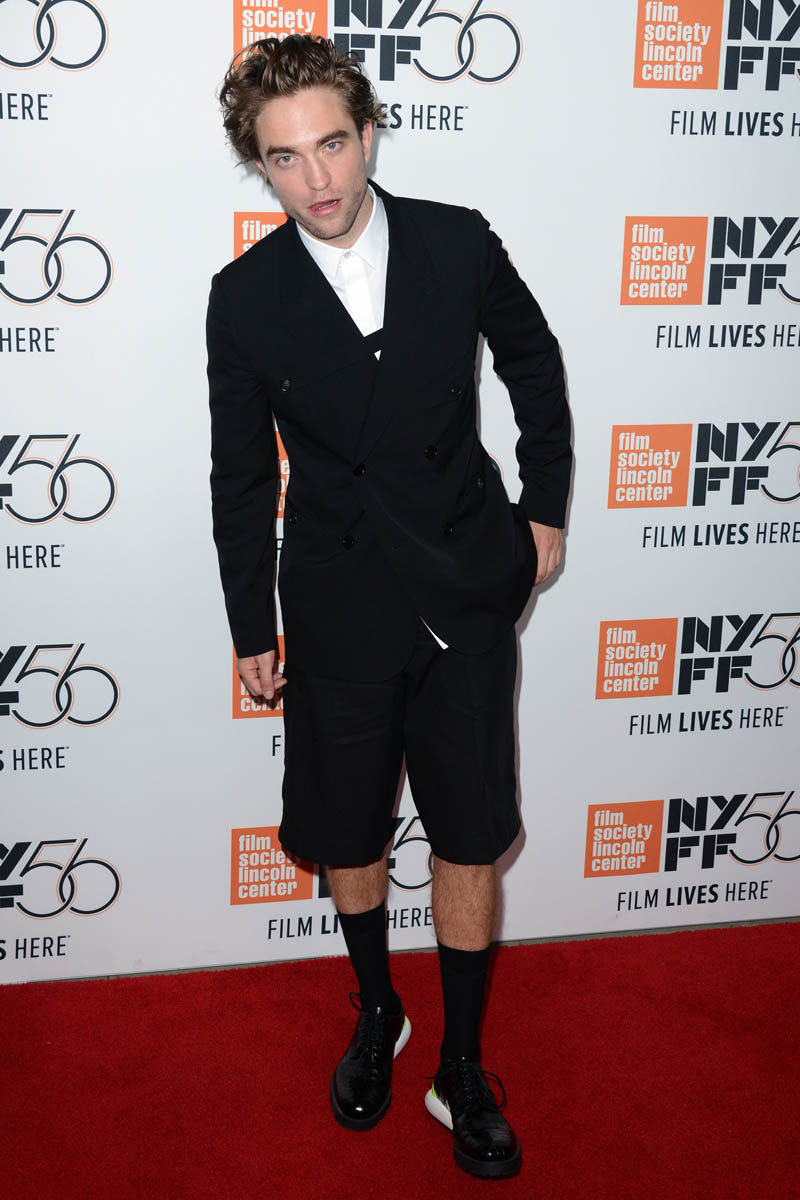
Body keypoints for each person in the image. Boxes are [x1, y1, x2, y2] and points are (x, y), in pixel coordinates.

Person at [207, 34, 571, 1180]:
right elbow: (239, 476)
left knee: (466, 835)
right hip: (337, 603)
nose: (315, 179)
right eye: (283, 158)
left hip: (463, 588)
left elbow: (533, 362)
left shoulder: (456, 241)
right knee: (348, 831)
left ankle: (459, 1063)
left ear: (367, 134)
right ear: (258, 167)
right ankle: (378, 1010)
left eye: (331, 144)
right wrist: (250, 626)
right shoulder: (243, 298)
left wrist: (543, 505)